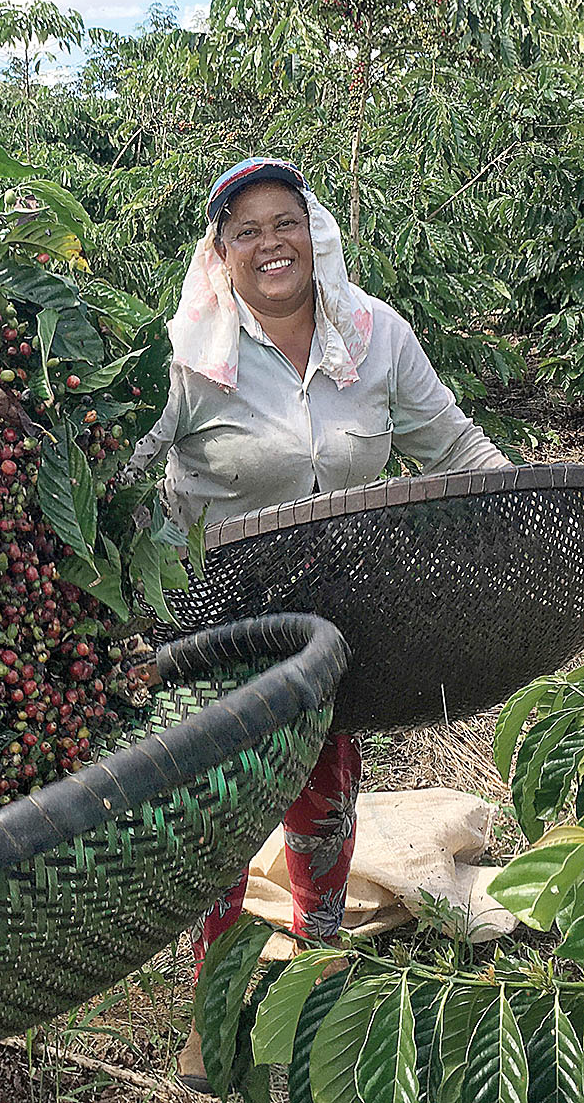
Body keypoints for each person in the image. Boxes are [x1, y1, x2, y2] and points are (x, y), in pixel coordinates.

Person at [124, 157, 510, 1093]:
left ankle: (318, 981)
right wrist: (142, 596)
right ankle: (211, 1017)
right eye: (244, 230)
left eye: (283, 222)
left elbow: (451, 443)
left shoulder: (373, 336)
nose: (270, 244)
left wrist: (519, 523)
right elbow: (126, 477)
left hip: (343, 611)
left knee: (326, 791)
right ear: (218, 254)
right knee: (217, 816)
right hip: (218, 618)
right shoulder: (181, 353)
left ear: (314, 231)